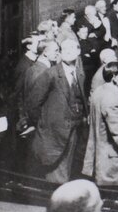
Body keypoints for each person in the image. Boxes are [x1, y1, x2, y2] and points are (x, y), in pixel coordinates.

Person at [26, 38, 88, 183]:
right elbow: (33, 104)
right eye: (64, 49)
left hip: (73, 130)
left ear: (79, 51)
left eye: (72, 48)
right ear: (60, 53)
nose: (68, 52)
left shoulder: (79, 73)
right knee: (56, 177)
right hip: (53, 133)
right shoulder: (50, 74)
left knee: (67, 171)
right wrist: (44, 124)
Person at [81, 62, 118, 188]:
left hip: (100, 158)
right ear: (114, 77)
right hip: (113, 163)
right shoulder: (112, 98)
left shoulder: (99, 91)